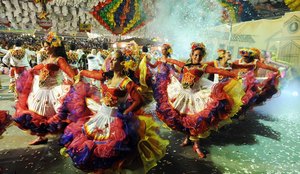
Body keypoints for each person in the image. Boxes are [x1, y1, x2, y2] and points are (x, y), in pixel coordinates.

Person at [60, 50, 168, 173]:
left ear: (122, 63)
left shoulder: (126, 82)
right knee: (91, 144)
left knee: (110, 149)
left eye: (114, 59)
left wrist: (126, 112)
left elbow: (139, 101)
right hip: (100, 115)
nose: (110, 61)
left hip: (114, 120)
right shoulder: (106, 76)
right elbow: (91, 75)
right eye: (110, 58)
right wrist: (81, 72)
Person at [153, 42, 243, 158]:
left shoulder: (203, 67)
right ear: (191, 54)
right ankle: (187, 138)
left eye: (200, 55)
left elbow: (219, 71)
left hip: (195, 96)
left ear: (202, 56)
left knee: (195, 122)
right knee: (183, 119)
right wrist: (166, 60)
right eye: (195, 55)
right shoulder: (186, 65)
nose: (197, 57)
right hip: (181, 94)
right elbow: (175, 62)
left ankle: (196, 145)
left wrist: (233, 75)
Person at [13, 32, 76, 145]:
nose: (44, 49)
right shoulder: (47, 59)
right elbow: (38, 67)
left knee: (59, 115)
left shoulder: (59, 59)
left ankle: (65, 137)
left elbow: (70, 72)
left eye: (46, 46)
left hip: (53, 91)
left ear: (53, 46)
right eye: (44, 46)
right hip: (40, 91)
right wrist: (31, 72)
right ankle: (41, 137)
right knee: (36, 113)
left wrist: (76, 83)